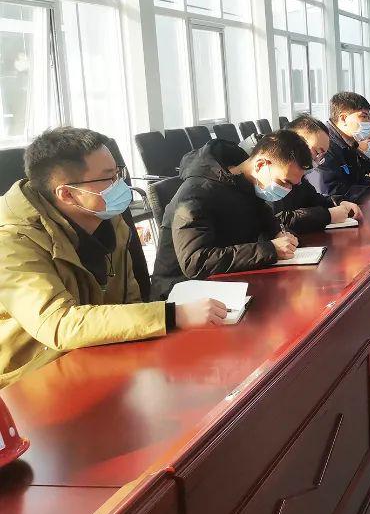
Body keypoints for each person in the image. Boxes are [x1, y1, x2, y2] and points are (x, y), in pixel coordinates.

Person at [0, 128, 225, 388]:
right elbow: (59, 324)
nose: (120, 185)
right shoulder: (11, 242)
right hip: (33, 381)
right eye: (109, 178)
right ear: (67, 194)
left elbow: (129, 300)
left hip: (100, 356)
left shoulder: (109, 220)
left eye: (118, 173)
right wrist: (171, 315)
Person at [151, 130, 311, 298]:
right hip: (182, 294)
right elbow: (195, 262)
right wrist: (270, 249)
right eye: (285, 182)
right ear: (260, 165)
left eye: (293, 185)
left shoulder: (246, 184)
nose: (288, 190)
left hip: (226, 283)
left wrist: (279, 233)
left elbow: (267, 221)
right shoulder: (196, 193)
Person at [275, 115, 362, 233]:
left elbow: (313, 198)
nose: (317, 160)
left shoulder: (300, 178)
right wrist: (328, 215)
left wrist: (339, 202)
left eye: (321, 156)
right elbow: (279, 220)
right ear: (296, 142)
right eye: (317, 152)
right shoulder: (271, 172)